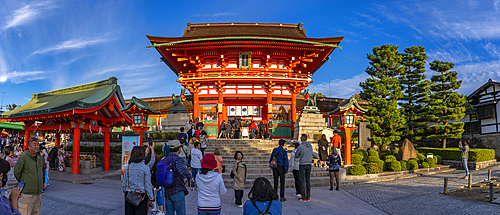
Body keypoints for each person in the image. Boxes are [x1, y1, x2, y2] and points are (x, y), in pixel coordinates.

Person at [14, 137, 44, 215]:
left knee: (36, 212)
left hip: (38, 192)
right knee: (25, 212)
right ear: (29, 146)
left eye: (38, 145)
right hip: (27, 193)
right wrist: (25, 182)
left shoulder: (39, 157)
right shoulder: (23, 157)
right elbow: (17, 172)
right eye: (34, 145)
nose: (37, 146)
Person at [122, 146, 154, 215]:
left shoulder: (128, 167)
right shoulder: (145, 168)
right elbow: (147, 185)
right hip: (141, 196)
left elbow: (124, 182)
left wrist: (125, 191)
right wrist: (151, 198)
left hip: (129, 194)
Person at [164, 140, 192, 215]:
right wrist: (189, 176)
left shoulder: (165, 159)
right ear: (178, 149)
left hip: (167, 191)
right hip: (177, 190)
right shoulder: (177, 159)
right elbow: (180, 170)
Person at [295, 134, 312, 202]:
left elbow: (296, 155)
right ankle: (308, 196)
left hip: (302, 164)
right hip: (309, 163)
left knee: (302, 180)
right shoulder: (310, 146)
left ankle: (303, 196)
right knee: (308, 180)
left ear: (302, 139)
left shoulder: (301, 146)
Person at [145, 145, 163, 212]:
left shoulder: (147, 159)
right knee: (159, 197)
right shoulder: (158, 158)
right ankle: (161, 211)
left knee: (152, 197)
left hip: (151, 181)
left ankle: (153, 210)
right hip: (158, 181)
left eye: (146, 150)